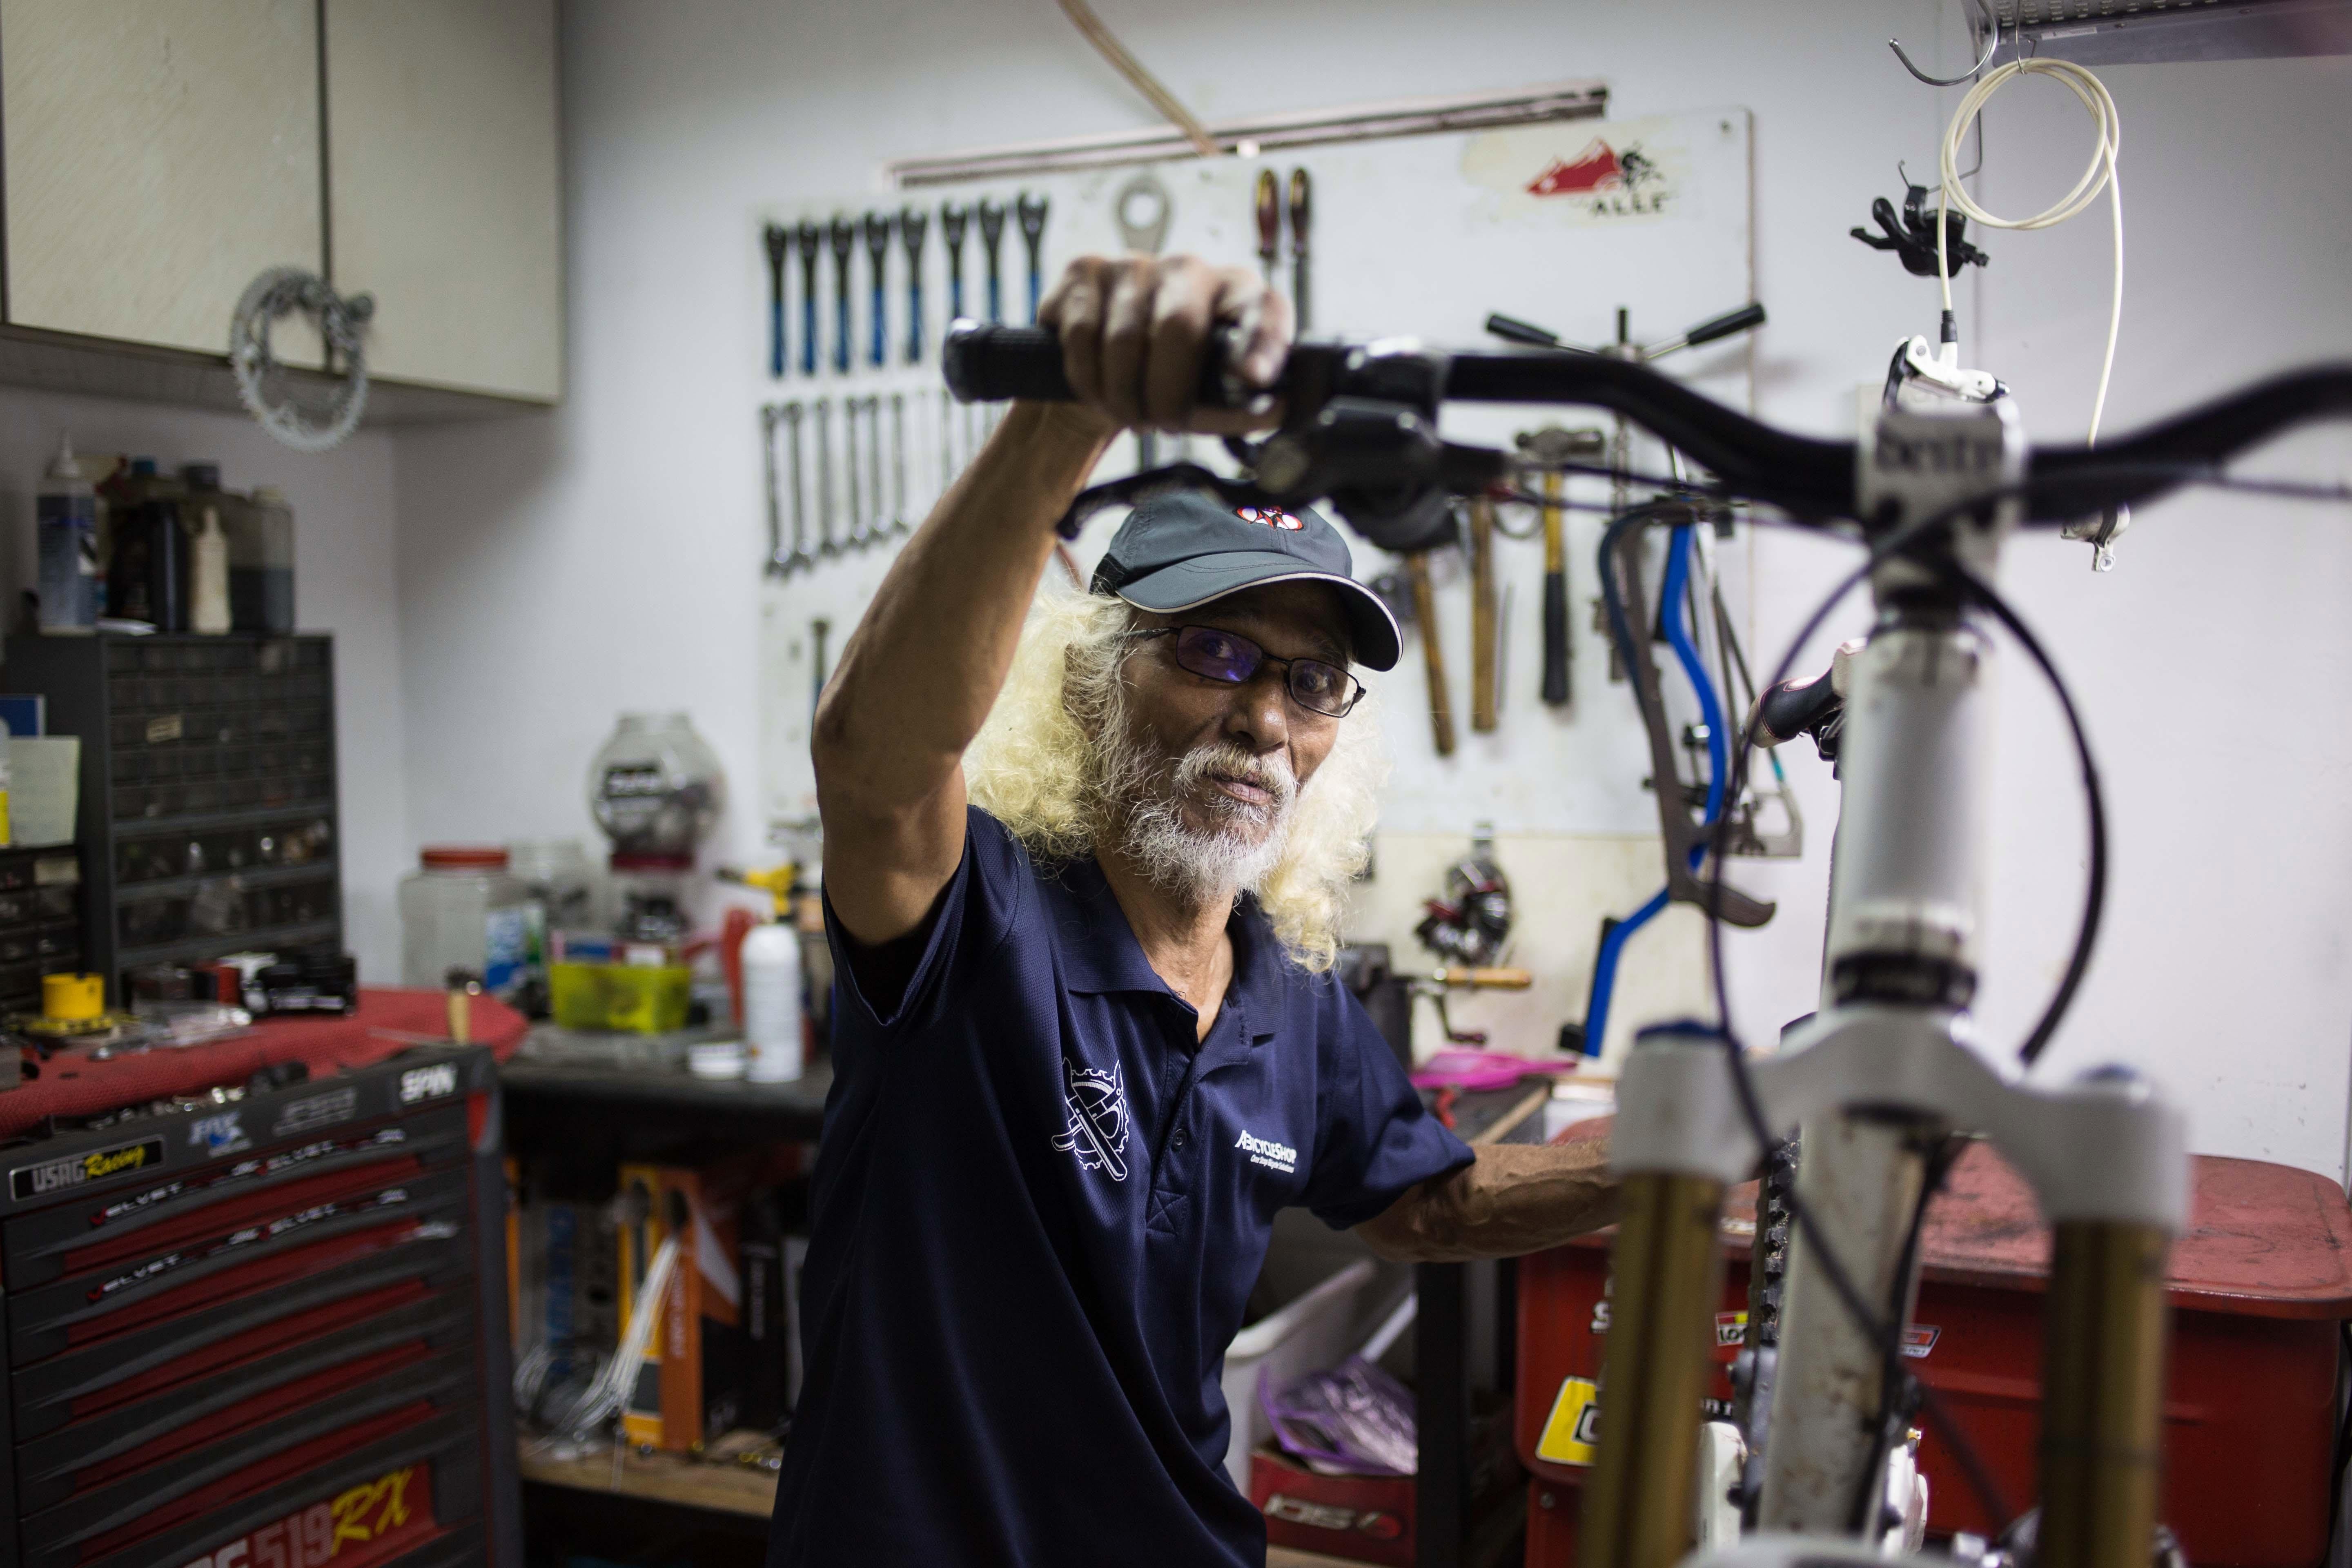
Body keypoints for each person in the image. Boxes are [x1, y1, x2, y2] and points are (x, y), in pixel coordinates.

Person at [767, 253, 1619, 1568]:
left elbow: (1427, 1205)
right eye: (1215, 651)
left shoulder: (1289, 998)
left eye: (1311, 682)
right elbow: (873, 768)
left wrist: (1680, 1155)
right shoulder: (977, 913)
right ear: (1093, 679)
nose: (1265, 719)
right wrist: (1067, 412)